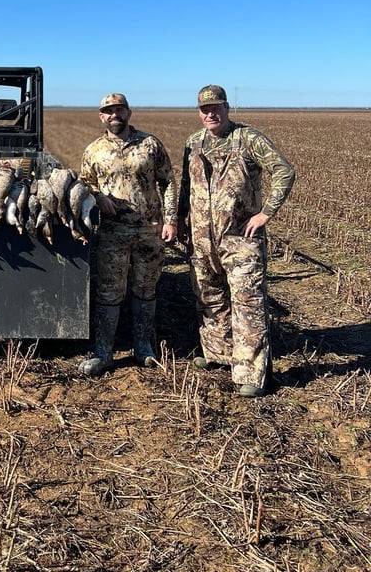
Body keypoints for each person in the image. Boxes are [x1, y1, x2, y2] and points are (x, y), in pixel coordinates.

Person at [177, 85, 295, 398]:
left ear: (227, 108)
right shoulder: (194, 142)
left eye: (216, 107)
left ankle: (251, 374)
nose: (210, 114)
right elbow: (186, 188)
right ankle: (218, 355)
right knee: (210, 297)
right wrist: (180, 224)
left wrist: (266, 213)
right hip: (202, 239)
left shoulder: (249, 138)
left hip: (241, 239)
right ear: (199, 112)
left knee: (248, 304)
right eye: (204, 109)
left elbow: (284, 170)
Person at [78, 93, 178, 375]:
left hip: (149, 230)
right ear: (101, 116)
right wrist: (97, 197)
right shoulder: (94, 150)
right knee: (108, 291)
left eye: (119, 110)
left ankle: (143, 347)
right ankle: (104, 353)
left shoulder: (149, 144)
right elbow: (85, 185)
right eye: (108, 111)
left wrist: (170, 220)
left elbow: (168, 182)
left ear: (128, 113)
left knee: (145, 289)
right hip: (112, 233)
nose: (114, 115)